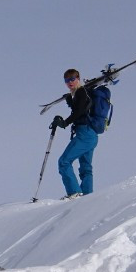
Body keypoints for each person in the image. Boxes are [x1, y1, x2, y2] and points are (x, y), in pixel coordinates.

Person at [50, 68, 98, 200]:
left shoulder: (82, 92)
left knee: (64, 161)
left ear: (78, 79)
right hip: (91, 134)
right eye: (67, 80)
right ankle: (87, 197)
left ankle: (74, 192)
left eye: (72, 79)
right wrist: (70, 100)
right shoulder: (79, 94)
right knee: (85, 168)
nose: (69, 82)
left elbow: (80, 111)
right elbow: (79, 109)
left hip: (85, 134)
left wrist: (65, 123)